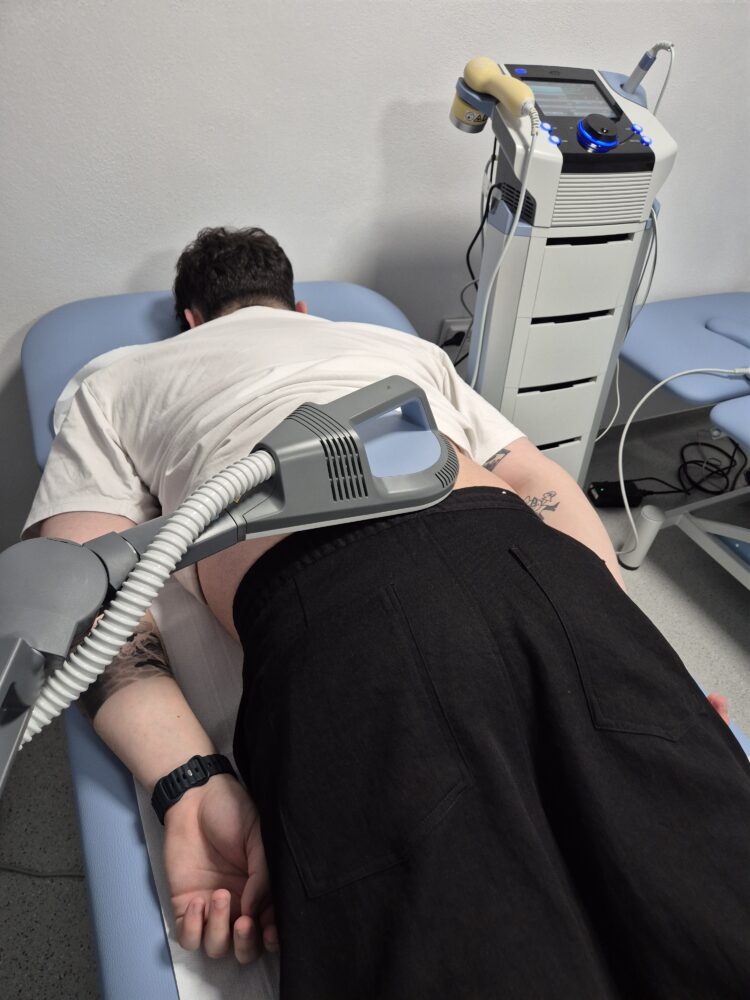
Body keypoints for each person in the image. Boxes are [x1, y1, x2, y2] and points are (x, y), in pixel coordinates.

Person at [23, 227, 749, 999]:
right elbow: (536, 476)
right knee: (714, 889)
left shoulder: (119, 376)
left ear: (191, 318)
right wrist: (621, 632)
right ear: (300, 306)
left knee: (472, 953)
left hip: (333, 605)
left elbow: (82, 585)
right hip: (530, 561)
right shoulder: (395, 346)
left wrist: (190, 782)